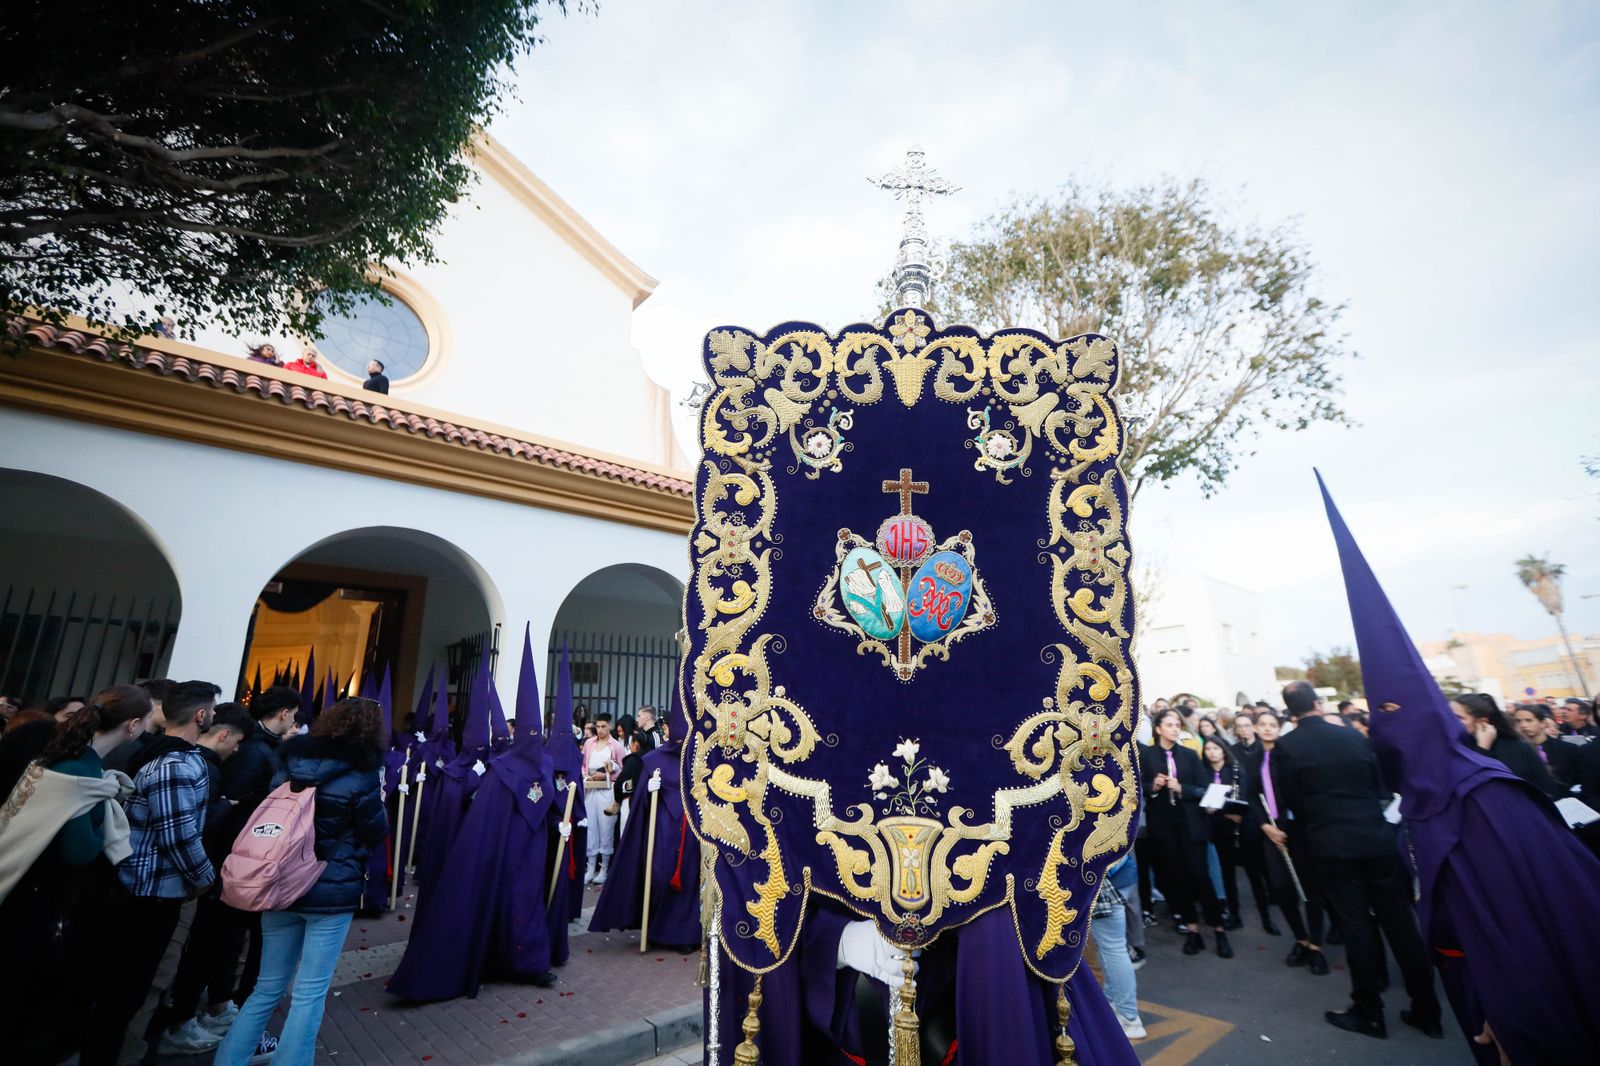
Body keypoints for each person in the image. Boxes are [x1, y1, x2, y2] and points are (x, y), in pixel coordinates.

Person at [212, 697, 387, 1066]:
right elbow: (374, 831)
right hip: (329, 886)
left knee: (265, 987)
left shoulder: (290, 761)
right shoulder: (363, 772)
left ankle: (229, 1059)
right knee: (309, 992)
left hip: (280, 880)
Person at [1270, 679, 1439, 1039]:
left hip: (1332, 845)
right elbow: (1378, 786)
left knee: (1356, 926)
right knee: (1400, 923)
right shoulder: (1352, 736)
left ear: (1290, 710)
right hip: (1376, 838)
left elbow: (1291, 802)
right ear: (1317, 703)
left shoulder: (1286, 746)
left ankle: (1369, 1012)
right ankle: (1428, 1010)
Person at [0, 686, 145, 1065]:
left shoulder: (69, 755)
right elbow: (78, 850)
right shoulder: (82, 770)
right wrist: (107, 826)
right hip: (40, 899)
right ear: (132, 726)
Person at [81, 680, 218, 1066]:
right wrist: (206, 877)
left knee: (125, 991)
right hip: (149, 891)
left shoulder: (163, 754)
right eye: (213, 709)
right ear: (201, 715)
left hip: (146, 888)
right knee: (126, 992)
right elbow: (177, 835)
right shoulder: (175, 763)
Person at [160, 703, 255, 1053]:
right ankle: (178, 1022)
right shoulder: (203, 768)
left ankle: (182, 1016)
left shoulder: (200, 764)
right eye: (238, 742)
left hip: (200, 875)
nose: (239, 751)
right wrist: (227, 807)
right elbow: (190, 829)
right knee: (192, 952)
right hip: (194, 876)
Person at [589, 692, 700, 951]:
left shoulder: (698, 759)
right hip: (661, 829)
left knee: (688, 881)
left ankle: (682, 935)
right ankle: (656, 928)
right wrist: (647, 789)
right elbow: (638, 801)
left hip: (689, 829)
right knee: (659, 875)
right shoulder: (653, 759)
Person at [1141, 708, 1231, 958]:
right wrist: (1154, 786)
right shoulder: (1147, 756)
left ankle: (1219, 930)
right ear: (1158, 729)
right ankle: (1193, 930)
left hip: (1191, 825)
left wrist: (1182, 788)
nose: (1175, 728)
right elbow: (1140, 787)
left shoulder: (1191, 755)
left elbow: (1204, 788)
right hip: (1164, 828)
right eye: (1169, 724)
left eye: (1177, 724)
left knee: (1201, 878)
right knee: (1176, 879)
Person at [1252, 709, 1323, 967]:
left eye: (1273, 724)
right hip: (1270, 831)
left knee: (1309, 888)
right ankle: (1301, 939)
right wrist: (1265, 826)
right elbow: (1251, 796)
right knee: (1281, 888)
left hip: (1297, 829)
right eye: (1263, 724)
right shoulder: (1253, 757)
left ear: (1279, 727)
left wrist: (1291, 825)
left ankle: (1316, 945)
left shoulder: (1289, 754)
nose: (1268, 728)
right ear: (1256, 728)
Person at [1201, 737, 1271, 936]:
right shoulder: (1204, 772)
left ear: (1224, 750)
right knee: (1227, 875)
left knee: (1254, 874)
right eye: (1208, 749)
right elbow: (1203, 800)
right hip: (1219, 829)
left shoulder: (1235, 770)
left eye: (1216, 748)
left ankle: (1266, 917)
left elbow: (1246, 798)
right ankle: (1234, 915)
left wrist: (1224, 810)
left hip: (1242, 828)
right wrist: (1220, 811)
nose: (1212, 752)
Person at [1449, 693, 1562, 799]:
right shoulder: (1455, 748)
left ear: (1482, 722)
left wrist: (1482, 750)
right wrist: (1482, 748)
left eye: (1459, 718)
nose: (1449, 721)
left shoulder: (1517, 748)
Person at [1089, 853, 1144, 1040]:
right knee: (1110, 948)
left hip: (1104, 880)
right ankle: (1113, 1004)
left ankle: (1130, 1018)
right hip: (1119, 874)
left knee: (1112, 949)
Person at [581, 711, 625, 885]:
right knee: (591, 826)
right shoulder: (589, 744)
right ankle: (590, 867)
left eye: (603, 726)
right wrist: (587, 777)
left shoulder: (616, 746)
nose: (600, 730)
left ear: (610, 726)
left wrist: (606, 775)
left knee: (606, 827)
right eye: (597, 727)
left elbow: (622, 768)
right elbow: (583, 765)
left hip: (607, 789)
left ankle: (604, 868)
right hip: (590, 789)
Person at [102, 677, 172, 773]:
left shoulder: (157, 744)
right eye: (172, 706)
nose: (176, 713)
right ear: (152, 704)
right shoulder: (123, 742)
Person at [1510, 702, 1580, 792]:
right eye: (1518, 721)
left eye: (1529, 720)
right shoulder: (1514, 752)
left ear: (1542, 723)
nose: (1523, 725)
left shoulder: (1568, 749)